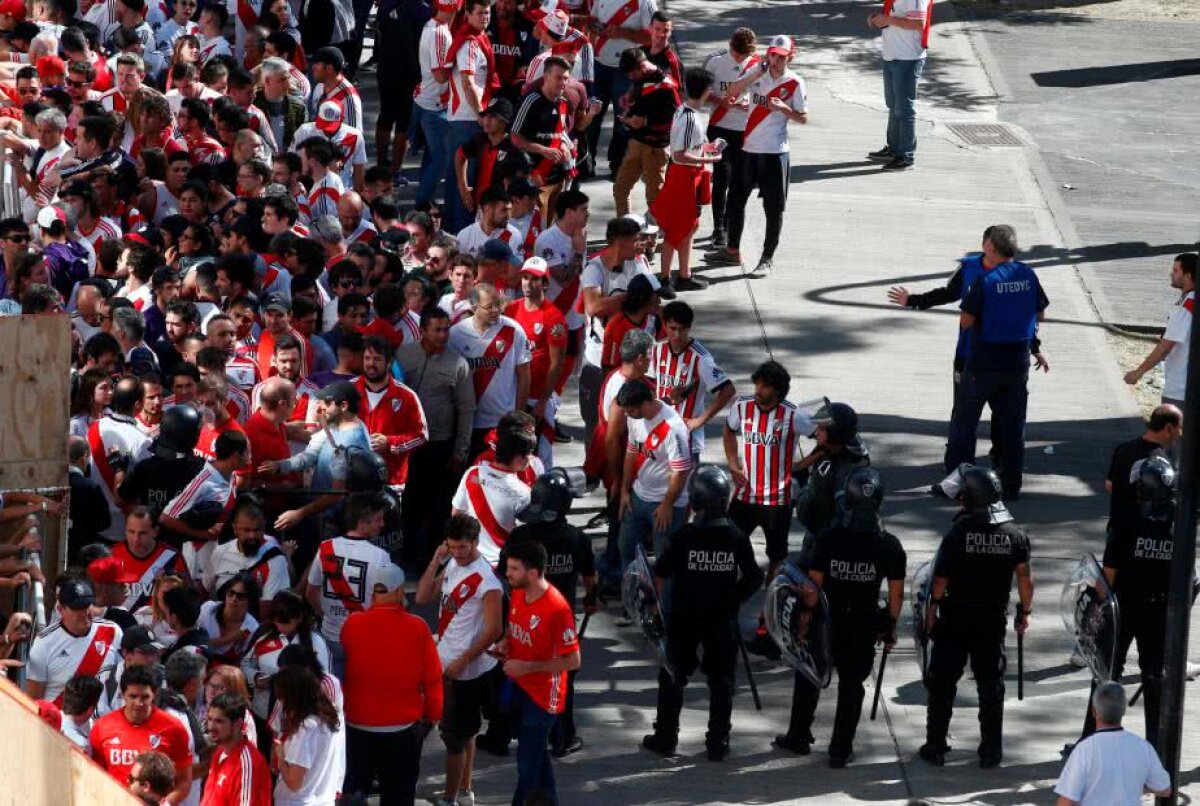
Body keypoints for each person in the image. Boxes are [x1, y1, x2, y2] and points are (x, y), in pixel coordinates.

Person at [776, 468, 905, 766]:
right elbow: (896, 595)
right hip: (863, 625)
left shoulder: (828, 538)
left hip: (825, 623)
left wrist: (805, 617)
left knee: (808, 676)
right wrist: (890, 627)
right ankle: (840, 749)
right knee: (851, 688)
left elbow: (812, 589)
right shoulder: (890, 546)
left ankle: (798, 736)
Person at [886, 226, 1051, 454]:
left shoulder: (1020, 275)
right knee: (964, 415)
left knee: (1004, 418)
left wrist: (1034, 347)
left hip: (1007, 359)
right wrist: (913, 300)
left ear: (988, 245)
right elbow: (947, 293)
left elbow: (1027, 315)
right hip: (969, 357)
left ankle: (998, 462)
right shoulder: (969, 268)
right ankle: (960, 468)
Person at [641, 466, 762, 761]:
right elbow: (754, 577)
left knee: (672, 677)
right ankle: (717, 742)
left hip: (684, 618)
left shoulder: (684, 537)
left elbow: (659, 573)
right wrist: (733, 600)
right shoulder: (735, 536)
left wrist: (653, 606)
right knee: (721, 682)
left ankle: (666, 737)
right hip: (721, 620)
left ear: (695, 500)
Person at [920, 465, 1034, 768]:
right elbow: (1024, 579)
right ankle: (991, 751)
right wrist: (1025, 611)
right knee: (990, 686)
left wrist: (931, 610)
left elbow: (940, 580)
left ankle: (935, 744)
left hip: (955, 619)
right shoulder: (1015, 534)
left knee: (943, 682)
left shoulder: (959, 532)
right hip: (991, 620)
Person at [943, 225, 1049, 500]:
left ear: (990, 246)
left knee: (964, 424)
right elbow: (1041, 314)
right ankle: (1011, 483)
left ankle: (959, 482)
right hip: (1016, 363)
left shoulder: (987, 280)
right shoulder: (1028, 274)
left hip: (983, 362)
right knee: (1012, 427)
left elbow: (966, 320)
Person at [1076, 455, 1175, 746]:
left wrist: (1094, 608)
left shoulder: (1126, 521)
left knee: (1105, 674)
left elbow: (1108, 576)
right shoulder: (1178, 523)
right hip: (1160, 611)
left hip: (1123, 609)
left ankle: (1092, 738)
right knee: (1155, 676)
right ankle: (1157, 744)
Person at [506, 469, 597, 757]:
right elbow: (590, 577)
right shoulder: (577, 538)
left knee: (521, 673)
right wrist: (591, 599)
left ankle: (514, 731)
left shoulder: (521, 537)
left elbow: (504, 577)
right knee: (562, 678)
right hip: (560, 622)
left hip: (524, 620)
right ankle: (563, 737)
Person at [414, 514, 503, 806]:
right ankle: (465, 791)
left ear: (476, 543)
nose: (457, 553)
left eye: (462, 547)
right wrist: (436, 560)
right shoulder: (452, 562)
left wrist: (463, 660)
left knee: (454, 737)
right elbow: (423, 597)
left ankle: (451, 798)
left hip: (464, 671)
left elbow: (494, 630)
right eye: (451, 546)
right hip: (448, 661)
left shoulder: (488, 582)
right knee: (466, 733)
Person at [341, 563, 443, 806]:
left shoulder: (352, 624)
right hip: (402, 730)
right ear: (399, 591)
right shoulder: (418, 627)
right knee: (399, 795)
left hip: (357, 727)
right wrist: (433, 716)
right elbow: (433, 679)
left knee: (354, 793)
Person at [723, 360, 809, 640]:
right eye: (758, 383)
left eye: (766, 385)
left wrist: (803, 463)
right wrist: (733, 465)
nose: (759, 389)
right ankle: (725, 608)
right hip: (745, 497)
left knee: (776, 559)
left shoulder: (793, 415)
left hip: (778, 501)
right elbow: (728, 431)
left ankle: (766, 615)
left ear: (778, 390)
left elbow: (823, 436)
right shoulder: (741, 407)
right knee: (726, 550)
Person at [710, 35, 808, 275]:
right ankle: (732, 251)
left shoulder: (795, 82)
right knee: (735, 201)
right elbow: (731, 93)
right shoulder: (757, 71)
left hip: (774, 154)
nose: (775, 60)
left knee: (773, 209)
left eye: (781, 56)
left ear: (790, 57)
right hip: (748, 149)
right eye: (772, 54)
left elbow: (803, 117)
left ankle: (767, 257)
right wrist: (754, 74)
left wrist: (785, 110)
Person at [500, 539, 581, 806]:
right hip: (521, 689)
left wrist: (527, 667)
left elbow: (573, 660)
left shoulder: (557, 609)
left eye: (513, 569)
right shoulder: (520, 592)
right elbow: (515, 629)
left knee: (527, 765)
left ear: (533, 573)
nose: (507, 573)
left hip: (543, 698)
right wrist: (505, 643)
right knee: (537, 757)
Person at [304, 492, 394, 679]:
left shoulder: (325, 548)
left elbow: (311, 593)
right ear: (362, 522)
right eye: (378, 520)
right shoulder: (380, 557)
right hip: (363, 640)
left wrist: (328, 616)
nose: (382, 524)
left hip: (329, 635)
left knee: (332, 694)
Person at [650, 67, 725, 292]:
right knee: (676, 229)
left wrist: (707, 149)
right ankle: (664, 278)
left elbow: (687, 148)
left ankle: (684, 274)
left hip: (687, 176)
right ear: (705, 91)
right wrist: (711, 159)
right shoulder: (690, 117)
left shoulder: (684, 112)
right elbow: (679, 155)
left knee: (689, 227)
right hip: (684, 177)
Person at [449, 282, 532, 460]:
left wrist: (518, 414)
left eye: (498, 304)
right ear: (473, 307)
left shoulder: (514, 330)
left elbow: (524, 374)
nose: (495, 310)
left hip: (501, 422)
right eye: (489, 307)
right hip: (468, 422)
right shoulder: (456, 334)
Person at [616, 377, 692, 570]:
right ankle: (632, 594)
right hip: (638, 496)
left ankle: (665, 600)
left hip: (666, 505)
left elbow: (681, 472)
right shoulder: (634, 418)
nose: (627, 414)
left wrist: (667, 504)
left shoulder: (675, 429)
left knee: (665, 562)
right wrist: (625, 491)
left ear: (646, 401)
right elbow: (631, 453)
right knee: (625, 548)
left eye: (631, 409)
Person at [1054, 682, 1171, 806]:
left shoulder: (1084, 749)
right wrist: (1137, 787)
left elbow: (1066, 802)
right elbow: (1164, 790)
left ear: (1094, 712)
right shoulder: (1143, 747)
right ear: (1124, 710)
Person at [90, 664, 193, 804]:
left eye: (145, 697)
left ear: (154, 695)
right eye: (133, 696)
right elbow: (95, 776)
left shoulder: (174, 728)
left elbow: (184, 781)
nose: (138, 703)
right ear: (122, 694)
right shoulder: (102, 727)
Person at [505, 257, 568, 468]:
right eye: (524, 277)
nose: (527, 283)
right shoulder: (511, 310)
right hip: (514, 393)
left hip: (539, 396)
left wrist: (542, 402)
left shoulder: (554, 317)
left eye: (534, 279)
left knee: (540, 454)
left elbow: (557, 363)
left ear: (545, 284)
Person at [701, 27, 759, 249]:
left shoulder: (758, 65)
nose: (740, 59)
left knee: (739, 181)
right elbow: (701, 92)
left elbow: (765, 95)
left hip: (745, 131)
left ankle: (729, 223)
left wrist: (749, 104)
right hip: (717, 128)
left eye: (744, 56)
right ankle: (718, 228)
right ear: (730, 46)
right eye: (737, 54)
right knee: (720, 177)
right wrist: (720, 101)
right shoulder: (714, 62)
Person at [451, 422, 537, 565]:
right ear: (517, 456)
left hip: (468, 561)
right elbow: (523, 539)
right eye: (528, 453)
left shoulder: (472, 473)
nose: (530, 457)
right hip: (499, 567)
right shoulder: (523, 493)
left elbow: (456, 515)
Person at [26, 578, 123, 703]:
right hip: (60, 718)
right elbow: (33, 698)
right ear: (60, 609)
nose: (85, 612)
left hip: (101, 720)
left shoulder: (112, 631)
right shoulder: (44, 642)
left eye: (87, 605)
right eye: (77, 608)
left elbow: (124, 679)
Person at [242, 590, 332, 723]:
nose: (279, 626)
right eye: (276, 621)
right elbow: (245, 664)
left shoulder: (316, 642)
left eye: (285, 622)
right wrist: (255, 677)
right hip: (262, 711)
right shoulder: (262, 635)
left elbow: (324, 680)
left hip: (299, 716)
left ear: (299, 618)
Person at [611, 47, 679, 219]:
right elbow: (637, 94)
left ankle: (653, 237)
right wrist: (629, 99)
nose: (630, 78)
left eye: (632, 74)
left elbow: (641, 121)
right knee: (620, 188)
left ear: (641, 66)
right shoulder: (644, 77)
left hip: (656, 148)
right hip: (638, 142)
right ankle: (624, 230)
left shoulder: (664, 86)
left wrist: (627, 120)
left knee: (654, 197)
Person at [1124, 253, 1197, 408]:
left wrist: (1139, 372)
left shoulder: (1186, 306)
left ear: (1188, 275)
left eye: (1176, 271)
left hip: (1180, 387)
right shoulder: (1190, 302)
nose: (1171, 274)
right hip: (1187, 385)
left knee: (1170, 431)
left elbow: (1165, 346)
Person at [356, 336, 429, 488]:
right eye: (367, 358)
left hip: (391, 482)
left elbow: (421, 435)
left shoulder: (406, 396)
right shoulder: (349, 391)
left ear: (389, 363)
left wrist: (390, 443)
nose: (371, 364)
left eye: (377, 359)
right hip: (353, 479)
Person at [866, 0, 932, 170]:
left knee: (904, 108)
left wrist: (887, 20)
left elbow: (918, 24)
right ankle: (895, 149)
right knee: (893, 105)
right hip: (892, 54)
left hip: (908, 57)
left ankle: (906, 156)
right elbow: (896, 15)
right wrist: (877, 18)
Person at [271, 664, 346, 806]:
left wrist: (280, 757)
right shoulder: (332, 716)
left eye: (281, 696)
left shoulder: (305, 729)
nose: (279, 702)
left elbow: (294, 783)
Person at [205, 500, 291, 617]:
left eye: (257, 530)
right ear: (235, 529)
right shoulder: (220, 552)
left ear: (264, 527)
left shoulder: (275, 559)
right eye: (246, 530)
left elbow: (267, 609)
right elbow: (205, 590)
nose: (252, 536)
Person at [201, 692, 272, 806]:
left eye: (219, 721)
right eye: (209, 719)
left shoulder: (247, 765)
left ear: (238, 724)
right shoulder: (219, 751)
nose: (211, 726)